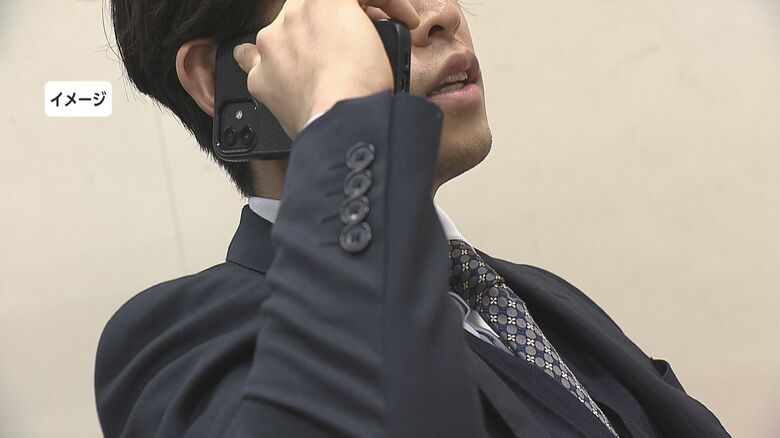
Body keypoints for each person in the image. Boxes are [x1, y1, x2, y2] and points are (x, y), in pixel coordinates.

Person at [95, 0, 731, 436]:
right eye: (367, 6)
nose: (441, 15)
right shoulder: (173, 348)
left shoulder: (539, 299)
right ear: (221, 79)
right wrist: (342, 111)